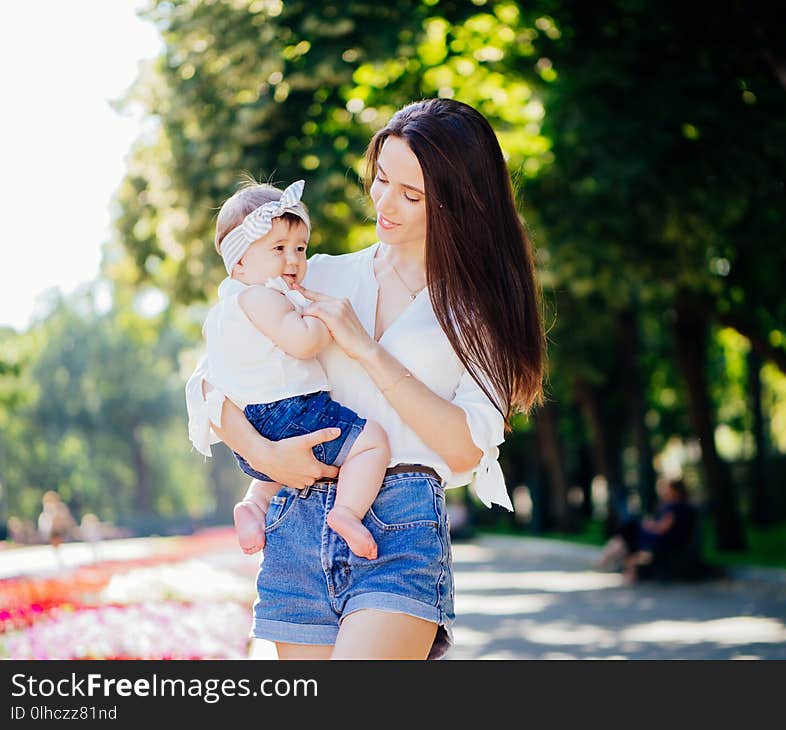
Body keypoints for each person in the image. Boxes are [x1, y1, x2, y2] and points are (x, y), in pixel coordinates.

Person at [186, 97, 545, 660]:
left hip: (401, 521)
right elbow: (211, 385)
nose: (384, 203)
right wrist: (267, 457)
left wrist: (367, 349)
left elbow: (468, 445)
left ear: (457, 203)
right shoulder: (311, 273)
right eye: (381, 179)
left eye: (410, 194)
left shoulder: (478, 311)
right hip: (298, 518)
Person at [188, 179, 390, 559]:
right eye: (278, 248)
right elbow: (301, 342)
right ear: (240, 263)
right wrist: (323, 319)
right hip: (291, 411)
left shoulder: (225, 310)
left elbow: (206, 383)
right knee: (373, 441)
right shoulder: (263, 296)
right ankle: (346, 512)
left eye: (300, 248)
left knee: (279, 473)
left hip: (253, 425)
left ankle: (254, 504)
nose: (293, 260)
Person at [596, 477, 697, 582]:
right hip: (665, 539)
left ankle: (608, 562)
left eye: (667, 489)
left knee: (629, 531)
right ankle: (614, 564)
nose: (664, 492)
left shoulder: (676, 507)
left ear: (676, 490)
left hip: (666, 541)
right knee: (628, 533)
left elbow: (663, 528)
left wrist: (649, 525)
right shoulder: (675, 505)